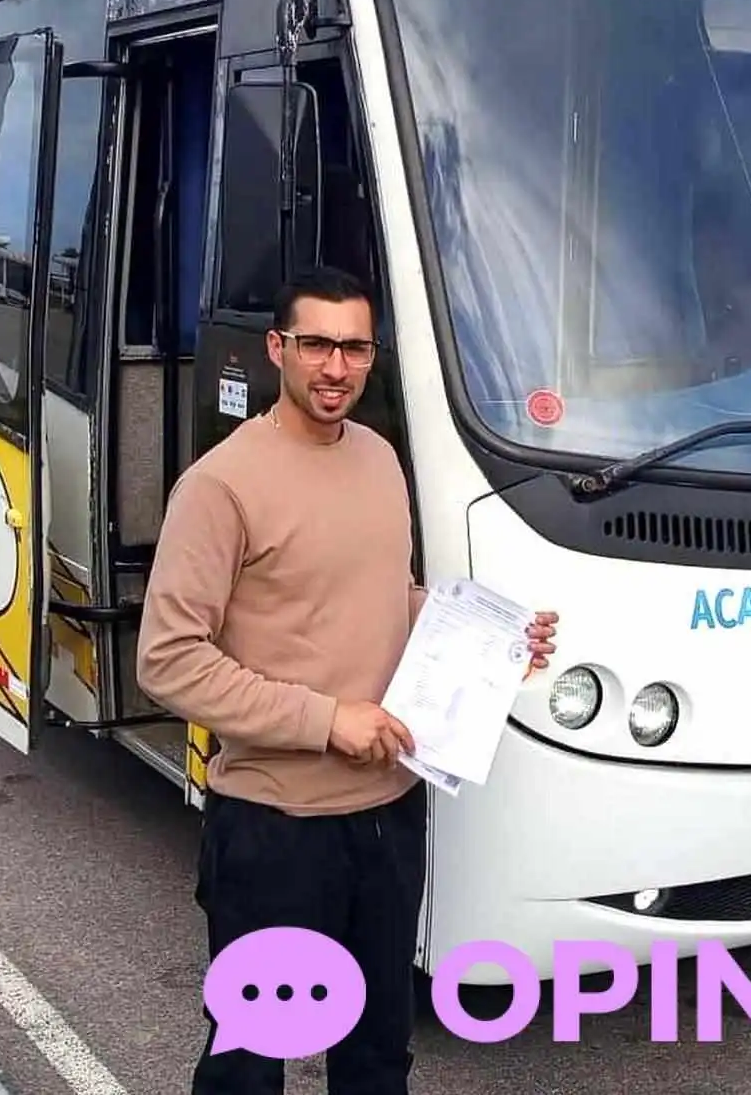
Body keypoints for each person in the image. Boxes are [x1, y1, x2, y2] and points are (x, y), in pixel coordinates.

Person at [137, 266, 557, 1095]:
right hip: (276, 829)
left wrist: (496, 639)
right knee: (249, 1063)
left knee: (377, 1057)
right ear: (277, 348)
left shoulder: (379, 459)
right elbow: (169, 657)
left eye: (355, 347)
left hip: (389, 816)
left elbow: (383, 599)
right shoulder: (221, 485)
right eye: (317, 344)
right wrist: (327, 718)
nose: (336, 367)